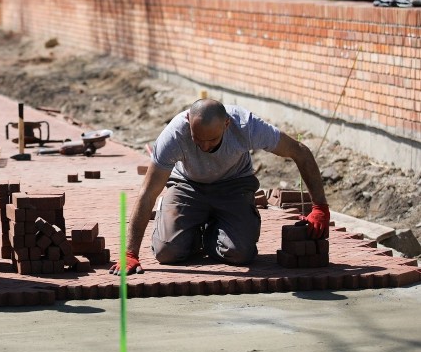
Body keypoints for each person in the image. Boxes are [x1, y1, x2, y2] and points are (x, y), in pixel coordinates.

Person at [111, 98, 329, 275]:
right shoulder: (174, 135)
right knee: (167, 253)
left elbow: (300, 152)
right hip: (188, 185)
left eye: (212, 140)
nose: (205, 146)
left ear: (226, 124)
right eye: (198, 140)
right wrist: (130, 253)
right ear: (188, 121)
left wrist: (319, 207)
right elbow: (147, 193)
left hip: (234, 186)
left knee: (240, 254)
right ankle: (191, 231)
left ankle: (214, 228)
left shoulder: (247, 126)